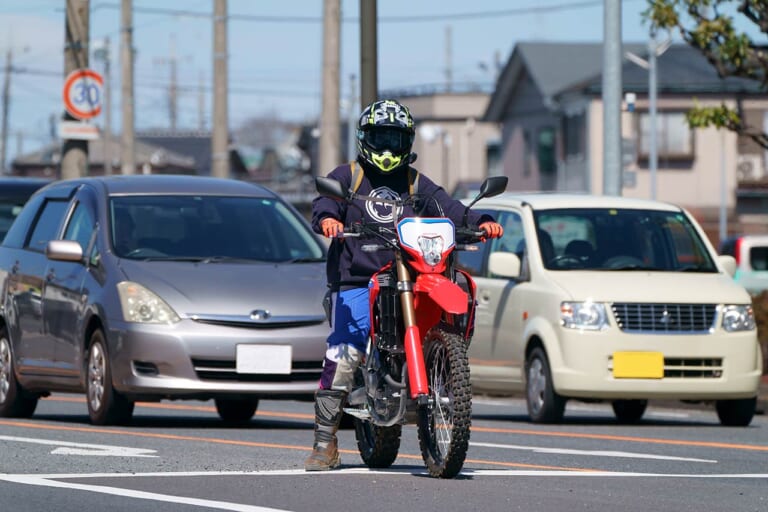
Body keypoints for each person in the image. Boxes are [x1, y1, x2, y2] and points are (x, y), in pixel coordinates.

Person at [305, 99, 504, 471]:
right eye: (379, 138)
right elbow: (324, 203)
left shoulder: (415, 183)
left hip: (412, 276)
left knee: (451, 297)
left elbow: (451, 208)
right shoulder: (350, 175)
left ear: (407, 142)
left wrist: (482, 220)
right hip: (359, 280)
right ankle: (324, 440)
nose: (386, 147)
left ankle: (437, 368)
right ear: (365, 139)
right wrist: (329, 220)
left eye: (394, 139)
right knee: (346, 352)